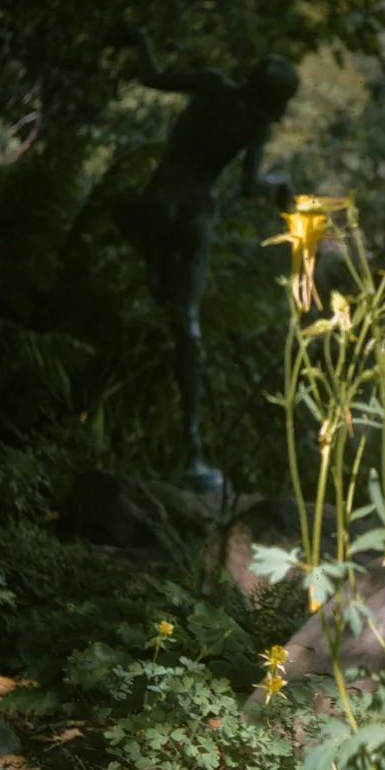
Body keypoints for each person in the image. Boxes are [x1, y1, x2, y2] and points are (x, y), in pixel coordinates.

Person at [112, 29, 300, 489]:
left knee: (122, 210)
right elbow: (248, 185)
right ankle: (192, 446)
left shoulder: (213, 84)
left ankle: (154, 259)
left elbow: (152, 76)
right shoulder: (254, 126)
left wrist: (140, 39)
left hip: (161, 198)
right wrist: (280, 185)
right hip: (196, 211)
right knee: (187, 324)